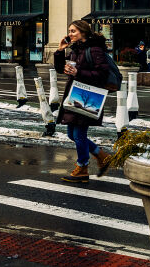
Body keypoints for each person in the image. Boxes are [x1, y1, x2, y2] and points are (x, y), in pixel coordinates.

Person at [54, 20, 112, 183]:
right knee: (72, 134)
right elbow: (60, 69)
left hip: (86, 96)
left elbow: (102, 74)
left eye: (73, 31)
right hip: (74, 95)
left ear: (83, 32)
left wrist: (79, 72)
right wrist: (60, 51)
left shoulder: (94, 50)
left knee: (79, 134)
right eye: (69, 31)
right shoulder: (75, 49)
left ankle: (82, 168)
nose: (70, 34)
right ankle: (101, 156)